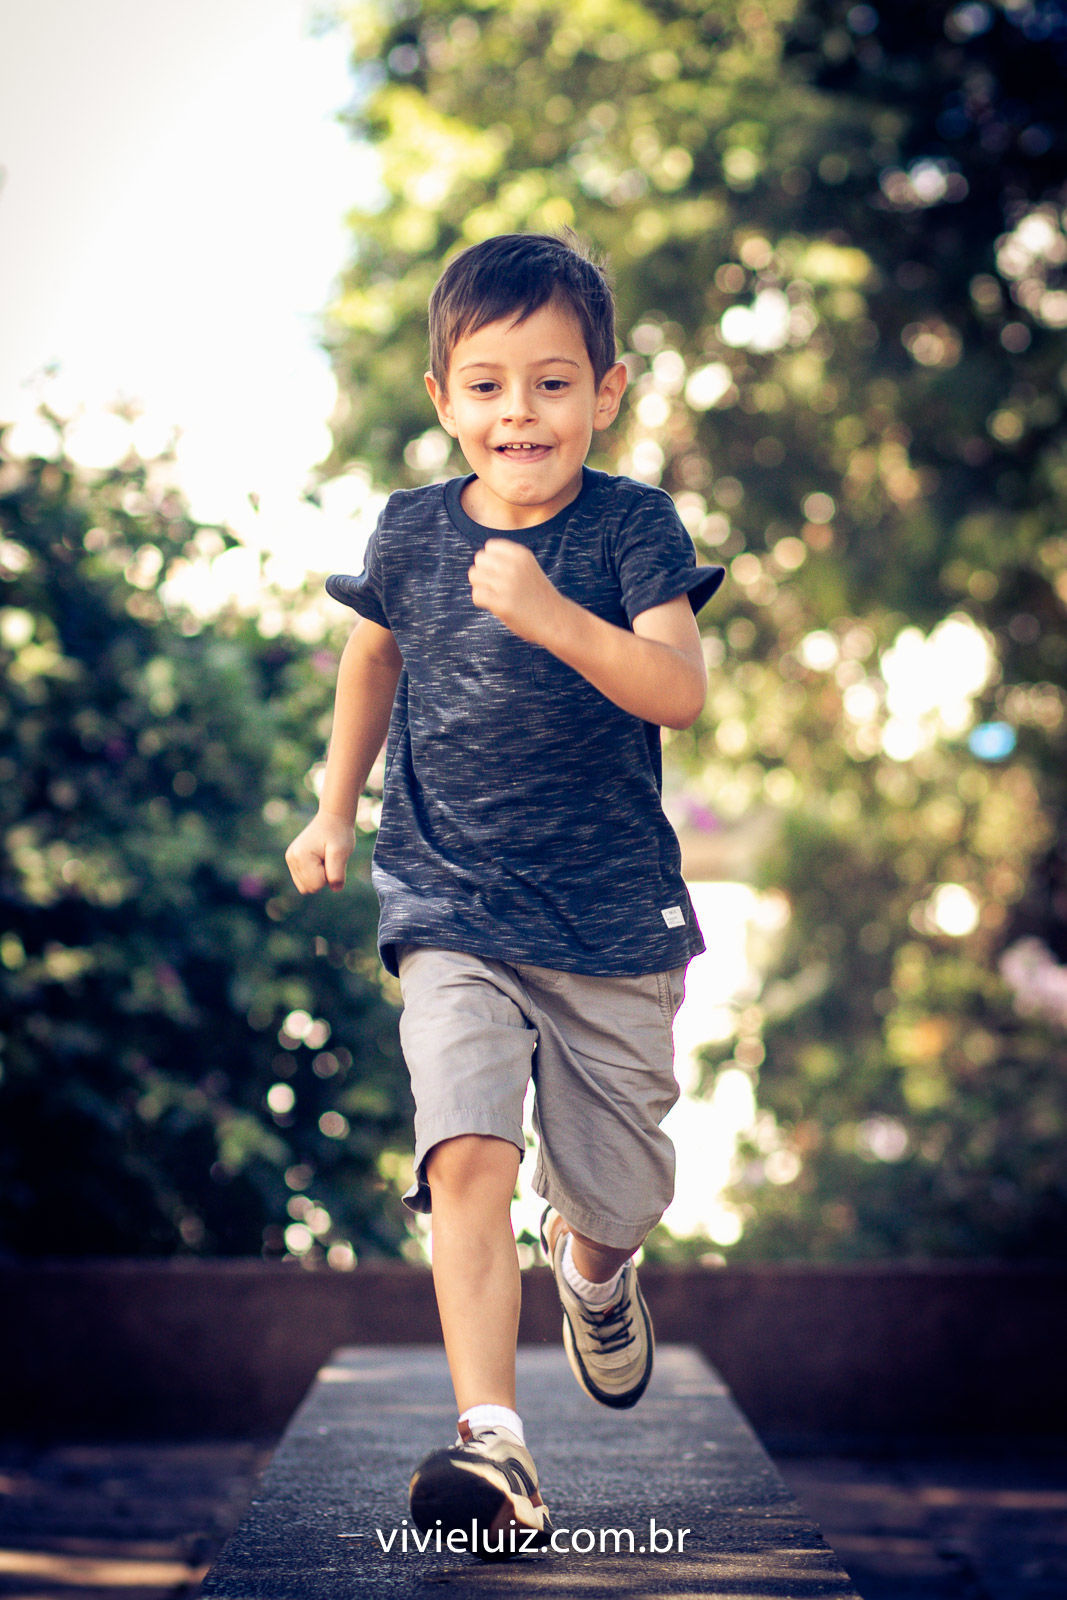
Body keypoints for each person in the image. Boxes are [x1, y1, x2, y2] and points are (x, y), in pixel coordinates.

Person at [285, 230, 723, 1558]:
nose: (516, 413)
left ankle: (597, 1272)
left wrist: (548, 613)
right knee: (465, 1148)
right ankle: (496, 1443)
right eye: (485, 385)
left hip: (607, 921)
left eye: (548, 383)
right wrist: (330, 803)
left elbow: (677, 692)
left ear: (609, 389)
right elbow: (374, 660)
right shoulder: (412, 529)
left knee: (615, 1190)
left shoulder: (633, 527)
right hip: (448, 899)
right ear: (443, 398)